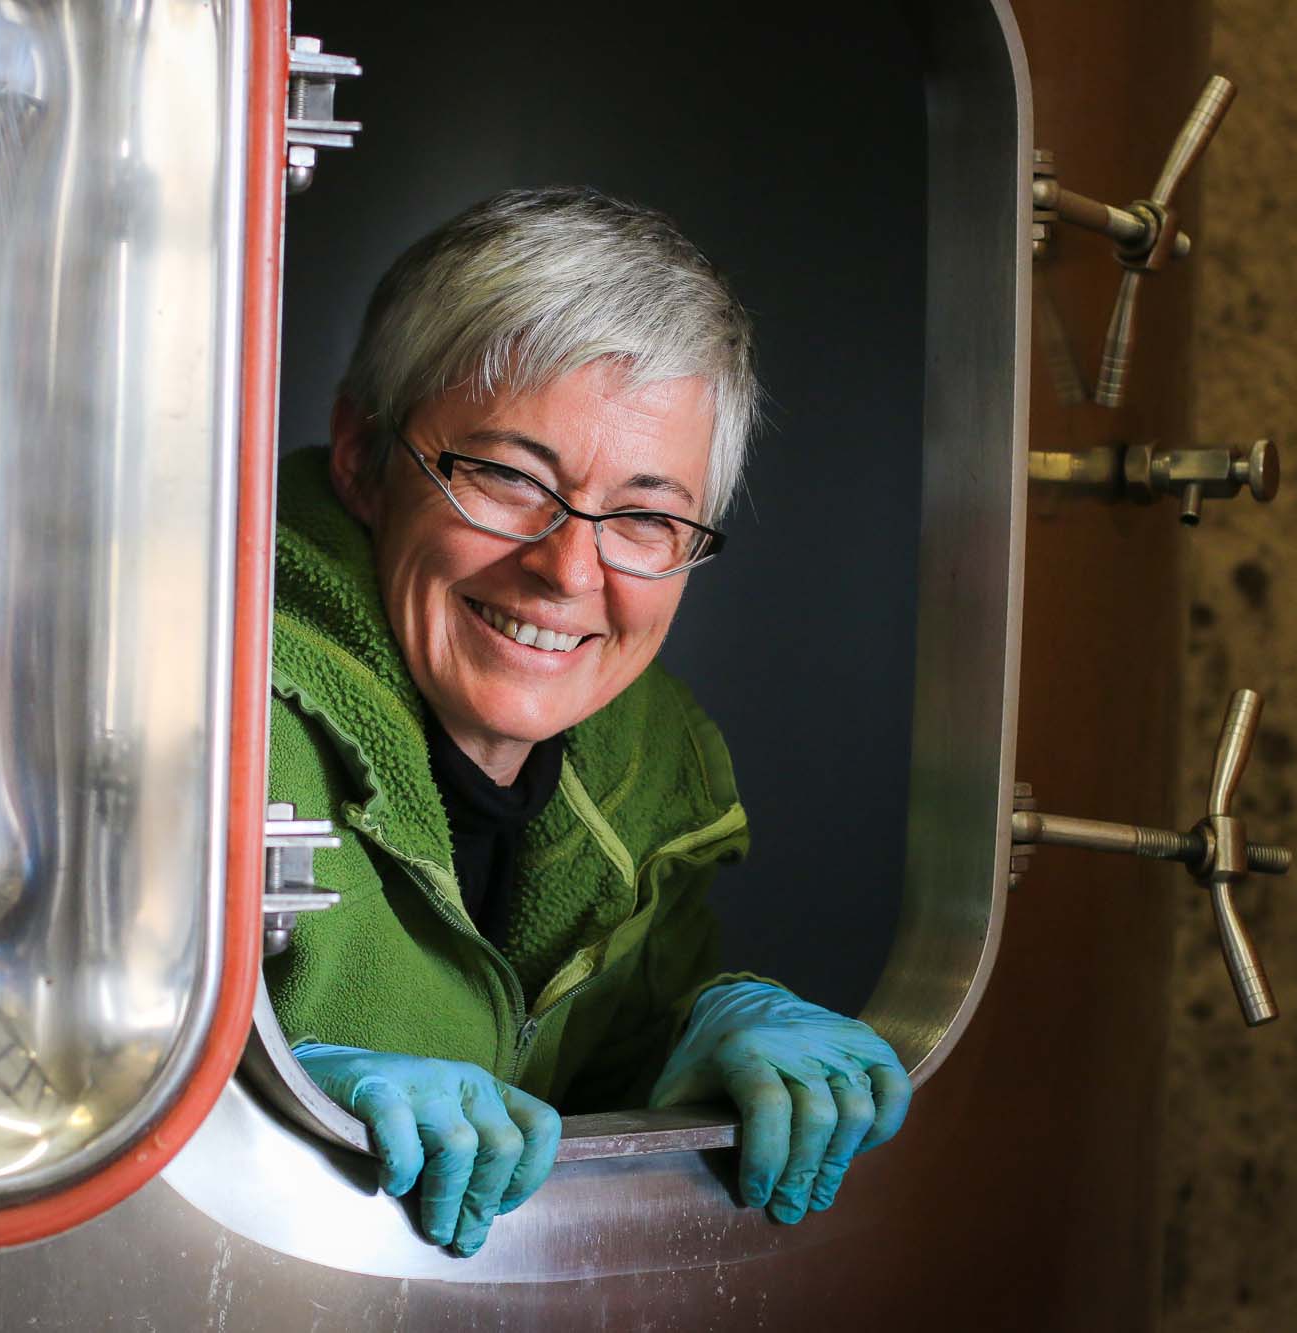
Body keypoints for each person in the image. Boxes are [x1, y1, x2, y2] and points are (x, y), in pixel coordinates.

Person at [263, 187, 910, 1257]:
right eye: (511, 480)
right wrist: (272, 1087)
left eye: (647, 517)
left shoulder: (652, 777)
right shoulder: (201, 714)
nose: (567, 571)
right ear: (360, 458)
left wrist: (701, 1027)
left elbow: (597, 1069)